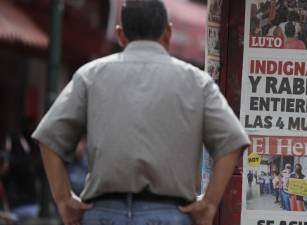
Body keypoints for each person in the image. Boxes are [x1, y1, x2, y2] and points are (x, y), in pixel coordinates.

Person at [32, 1, 250, 225]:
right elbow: (233, 140)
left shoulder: (90, 75)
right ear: (168, 32)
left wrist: (63, 200)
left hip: (104, 214)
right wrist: (209, 203)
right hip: (169, 215)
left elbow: (49, 137)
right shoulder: (197, 81)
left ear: (120, 35)